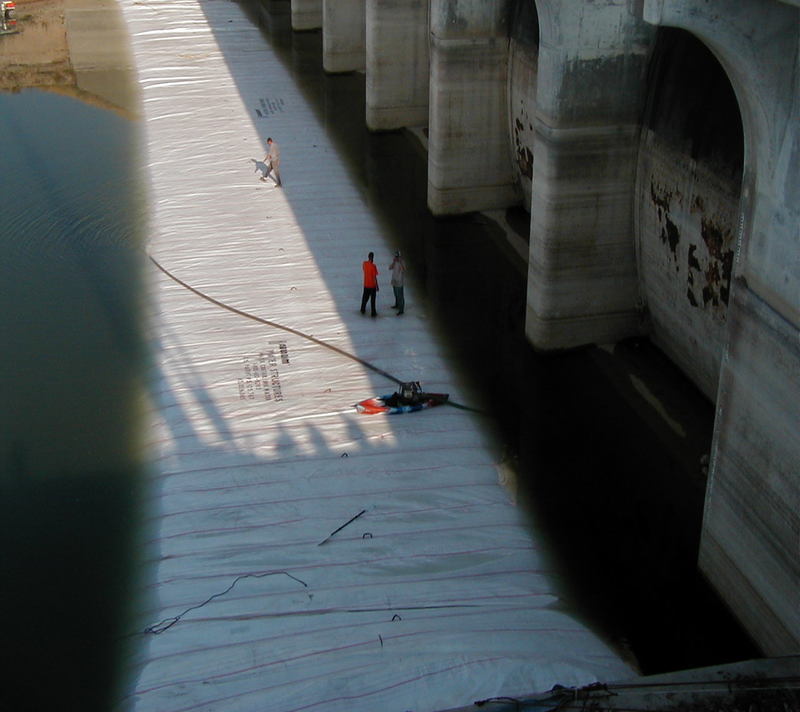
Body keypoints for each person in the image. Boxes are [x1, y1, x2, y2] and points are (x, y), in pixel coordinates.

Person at [360, 252, 379, 317]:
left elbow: (364, 270)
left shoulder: (364, 263)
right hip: (372, 286)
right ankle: (373, 313)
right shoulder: (373, 266)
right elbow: (374, 277)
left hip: (366, 284)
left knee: (365, 297)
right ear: (373, 257)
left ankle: (362, 309)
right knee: (372, 300)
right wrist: (377, 286)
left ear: (368, 257)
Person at [389, 250, 405, 315]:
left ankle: (401, 309)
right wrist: (393, 262)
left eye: (397, 256)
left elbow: (404, 269)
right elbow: (390, 268)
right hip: (394, 280)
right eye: (396, 256)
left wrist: (400, 263)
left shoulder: (402, 262)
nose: (396, 258)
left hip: (399, 281)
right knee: (396, 294)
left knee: (400, 296)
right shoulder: (394, 262)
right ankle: (397, 305)